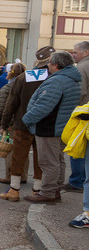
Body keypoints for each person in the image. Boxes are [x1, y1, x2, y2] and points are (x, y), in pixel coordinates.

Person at [22, 51, 82, 204]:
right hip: (61, 126)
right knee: (58, 160)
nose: (47, 65)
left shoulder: (58, 81)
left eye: (49, 63)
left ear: (56, 65)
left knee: (48, 162)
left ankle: (48, 192)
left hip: (49, 127)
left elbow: (43, 106)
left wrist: (27, 119)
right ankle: (55, 190)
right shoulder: (72, 79)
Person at [0, 48, 55, 201]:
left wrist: (4, 123)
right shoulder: (55, 77)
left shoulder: (25, 77)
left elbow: (11, 103)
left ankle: (14, 189)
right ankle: (37, 189)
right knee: (41, 158)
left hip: (22, 123)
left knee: (18, 156)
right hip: (46, 125)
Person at [0, 63, 27, 188]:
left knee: (11, 151)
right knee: (24, 150)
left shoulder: (7, 88)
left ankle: (10, 176)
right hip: (26, 123)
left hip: (12, 123)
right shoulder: (28, 86)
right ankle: (24, 175)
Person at [66, 41, 89, 192]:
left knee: (78, 147)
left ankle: (77, 180)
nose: (73, 55)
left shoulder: (81, 67)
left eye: (75, 52)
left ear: (85, 52)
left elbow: (79, 92)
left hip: (83, 113)